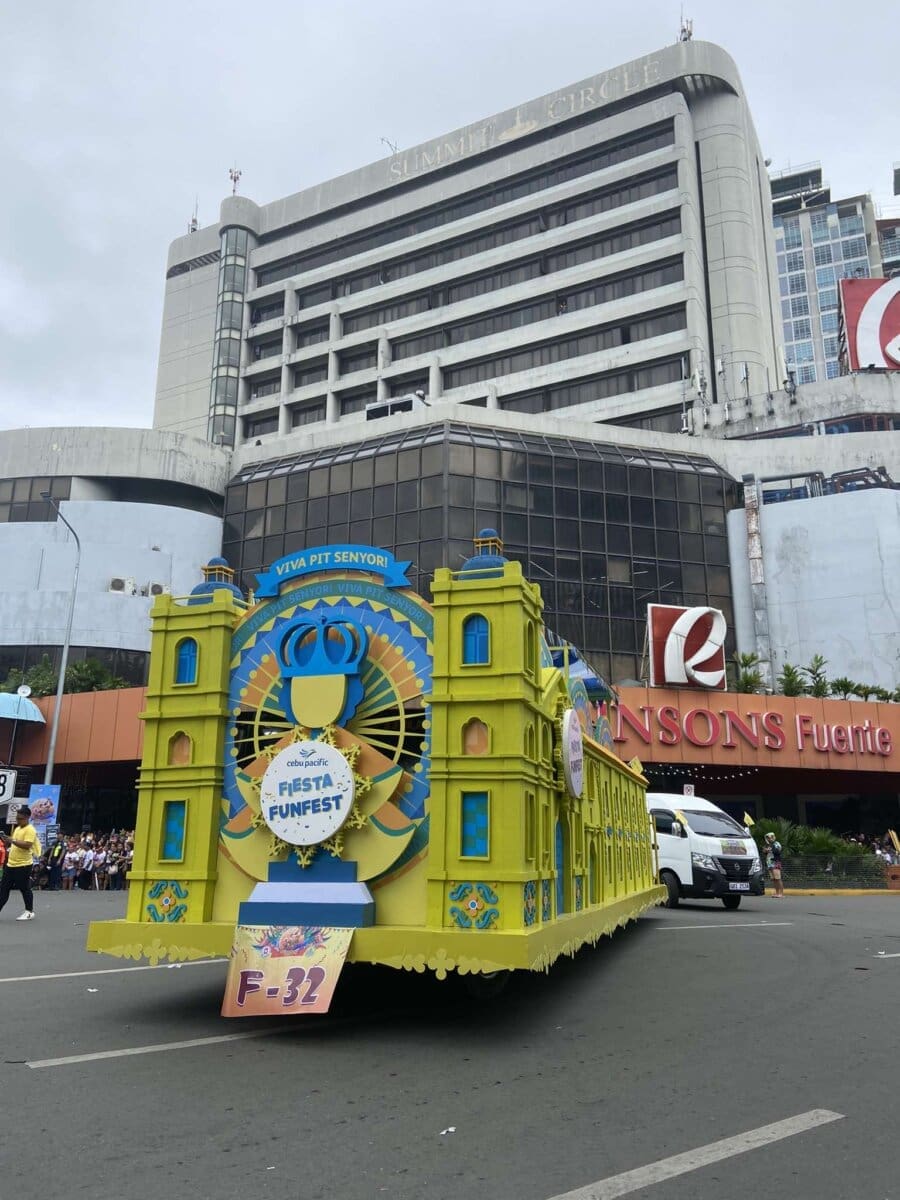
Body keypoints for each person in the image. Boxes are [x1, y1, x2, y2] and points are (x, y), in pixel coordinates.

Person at [0, 805, 41, 920]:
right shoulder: (18, 829)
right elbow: (14, 842)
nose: (18, 820)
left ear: (27, 817)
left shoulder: (30, 830)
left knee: (24, 888)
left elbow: (27, 845)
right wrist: (7, 840)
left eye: (20, 818)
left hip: (23, 865)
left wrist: (12, 840)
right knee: (3, 889)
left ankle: (29, 911)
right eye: (17, 818)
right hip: (11, 864)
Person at [765, 831, 784, 898]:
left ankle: (781, 894)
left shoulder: (776, 843)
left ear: (774, 837)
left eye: (771, 837)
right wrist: (765, 851)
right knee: (774, 879)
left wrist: (770, 849)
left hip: (776, 862)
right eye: (768, 838)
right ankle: (777, 893)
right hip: (770, 863)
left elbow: (778, 851)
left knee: (778, 878)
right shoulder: (768, 845)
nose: (769, 839)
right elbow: (766, 852)